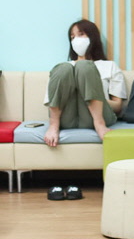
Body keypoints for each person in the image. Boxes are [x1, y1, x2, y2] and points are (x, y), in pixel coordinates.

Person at [43, 19, 127, 147]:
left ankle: (99, 125)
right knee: (63, 67)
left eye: (81, 34)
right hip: (66, 117)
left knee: (84, 66)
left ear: (92, 37)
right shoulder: (63, 68)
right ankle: (54, 125)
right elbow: (52, 100)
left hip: (98, 115)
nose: (76, 40)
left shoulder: (109, 66)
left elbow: (118, 106)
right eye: (72, 37)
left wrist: (94, 98)